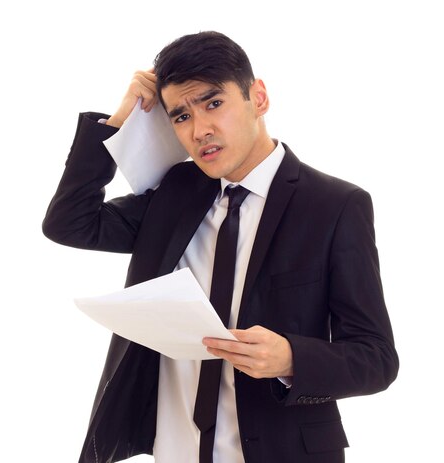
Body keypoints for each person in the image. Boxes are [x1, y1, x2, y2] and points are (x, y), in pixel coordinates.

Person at [42, 31, 398, 463]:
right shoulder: (177, 191)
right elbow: (70, 223)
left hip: (281, 451)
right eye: (180, 116)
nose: (200, 130)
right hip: (176, 449)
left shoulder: (335, 206)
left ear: (258, 98)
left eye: (213, 104)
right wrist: (119, 122)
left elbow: (376, 357)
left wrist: (291, 358)